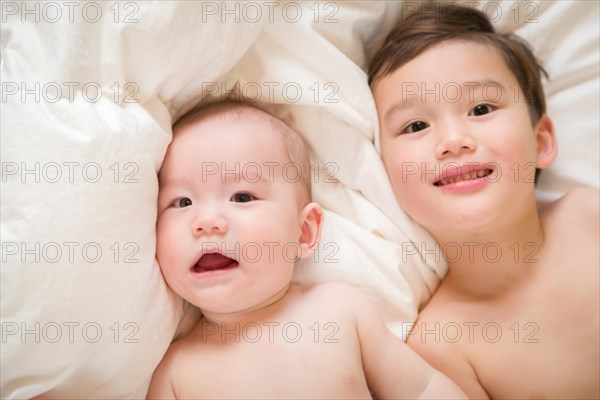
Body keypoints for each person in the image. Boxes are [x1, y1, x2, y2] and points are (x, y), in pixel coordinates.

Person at [147, 101, 467, 399]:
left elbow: (423, 388)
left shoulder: (339, 310)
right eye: (182, 202)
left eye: (242, 197)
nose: (206, 222)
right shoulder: (176, 372)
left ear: (304, 231)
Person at [369, 4, 599, 399]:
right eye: (416, 125)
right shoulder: (438, 348)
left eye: (481, 108)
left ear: (541, 143)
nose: (453, 140)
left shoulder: (590, 216)